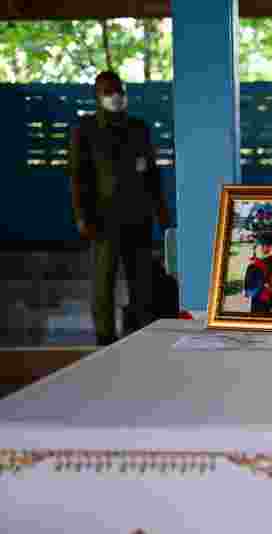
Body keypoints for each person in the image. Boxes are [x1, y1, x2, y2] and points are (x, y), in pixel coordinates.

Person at [70, 71, 171, 346]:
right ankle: (104, 337)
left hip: (138, 217)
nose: (115, 97)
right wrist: (81, 215)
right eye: (108, 92)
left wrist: (163, 217)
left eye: (120, 91)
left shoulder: (139, 128)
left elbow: (152, 177)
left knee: (142, 281)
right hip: (103, 219)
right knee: (104, 282)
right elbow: (79, 177)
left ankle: (144, 335)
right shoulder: (86, 129)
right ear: (97, 96)